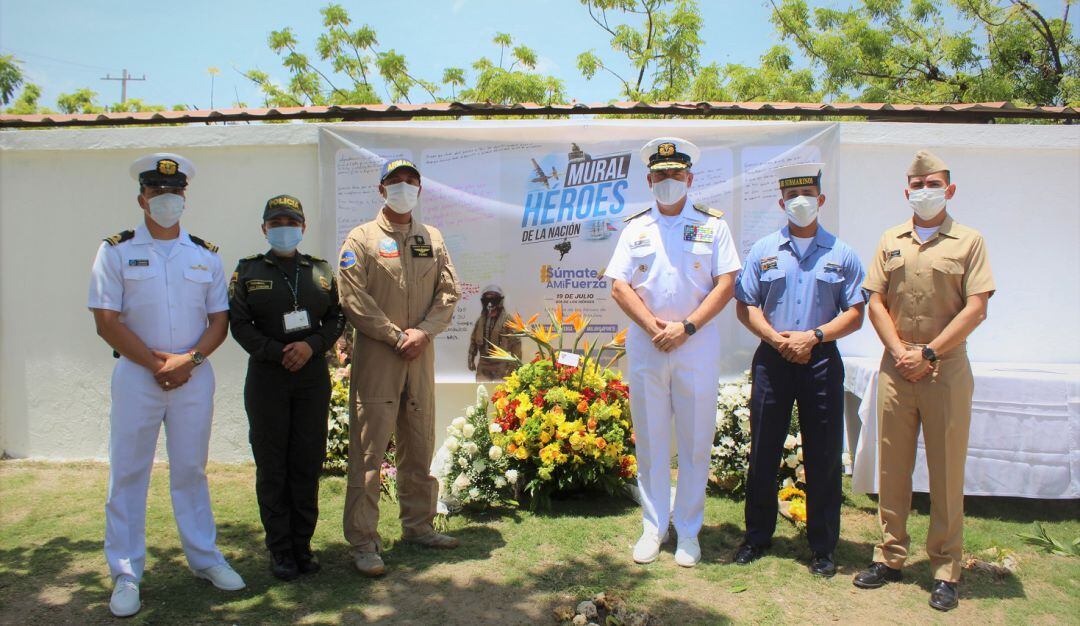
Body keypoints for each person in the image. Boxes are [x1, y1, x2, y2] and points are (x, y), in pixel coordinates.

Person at [87, 153, 244, 618]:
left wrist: (187, 360)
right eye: (157, 191)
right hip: (138, 375)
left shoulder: (205, 255)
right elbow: (106, 321)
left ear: (185, 198)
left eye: (174, 192)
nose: (167, 199)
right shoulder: (114, 251)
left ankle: (205, 558)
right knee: (128, 472)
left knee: (191, 469)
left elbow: (219, 320)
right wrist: (157, 363)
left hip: (192, 375)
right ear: (142, 198)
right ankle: (125, 573)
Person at [853, 150, 995, 612]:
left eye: (933, 184)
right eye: (917, 185)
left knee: (946, 469)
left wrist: (930, 352)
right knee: (892, 467)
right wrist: (900, 351)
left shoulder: (969, 241)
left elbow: (977, 307)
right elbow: (875, 301)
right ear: (906, 191)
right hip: (897, 366)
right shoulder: (890, 239)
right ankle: (890, 555)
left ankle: (946, 568)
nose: (925, 191)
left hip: (945, 368)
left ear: (949, 190)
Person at [604, 137, 741, 567]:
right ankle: (654, 526)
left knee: (696, 440)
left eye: (676, 173)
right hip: (648, 345)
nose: (668, 180)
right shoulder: (635, 227)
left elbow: (726, 284)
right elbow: (619, 286)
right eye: (660, 174)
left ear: (690, 178)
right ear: (649, 180)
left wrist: (687, 327)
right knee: (650, 439)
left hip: (695, 346)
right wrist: (653, 327)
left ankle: (689, 531)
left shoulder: (713, 225)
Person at [733, 163, 866, 577]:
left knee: (824, 455)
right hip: (773, 358)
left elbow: (856, 313)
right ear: (781, 203)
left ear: (821, 200)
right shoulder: (763, 250)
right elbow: (746, 305)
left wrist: (814, 336)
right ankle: (756, 537)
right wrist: (777, 340)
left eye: (807, 194)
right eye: (792, 196)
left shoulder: (841, 253)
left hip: (821, 359)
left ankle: (823, 547)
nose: (800, 202)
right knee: (763, 451)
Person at [337, 158, 461, 576]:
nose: (404, 187)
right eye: (395, 181)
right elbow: (353, 299)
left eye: (411, 181)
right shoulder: (361, 239)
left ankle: (419, 526)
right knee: (369, 452)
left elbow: (448, 293)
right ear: (381, 189)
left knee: (419, 443)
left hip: (419, 356)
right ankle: (364, 542)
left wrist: (423, 333)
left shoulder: (432, 238)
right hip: (379, 356)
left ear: (419, 191)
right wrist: (395, 336)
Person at [228, 194, 345, 581]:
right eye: (276, 223)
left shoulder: (321, 271)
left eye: (291, 223)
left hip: (311, 377)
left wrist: (311, 345)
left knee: (307, 462)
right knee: (272, 464)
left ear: (303, 228)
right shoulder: (247, 271)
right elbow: (239, 324)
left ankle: (302, 545)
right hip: (268, 377)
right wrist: (277, 352)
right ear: (264, 228)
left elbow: (337, 317)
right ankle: (280, 549)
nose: (284, 229)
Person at [467, 284, 522, 382]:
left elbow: (516, 344)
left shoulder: (508, 320)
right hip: (483, 364)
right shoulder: (480, 321)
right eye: (487, 300)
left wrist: (514, 367)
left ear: (499, 301)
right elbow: (474, 340)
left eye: (493, 300)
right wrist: (471, 357)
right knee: (481, 389)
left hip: (501, 364)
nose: (490, 303)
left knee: (501, 391)